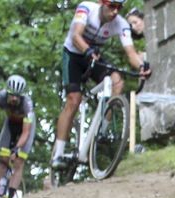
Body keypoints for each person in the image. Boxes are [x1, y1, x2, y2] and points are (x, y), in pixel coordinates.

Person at [52, 0, 152, 169]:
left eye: (118, 8)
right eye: (111, 6)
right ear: (102, 3)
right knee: (73, 100)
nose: (115, 12)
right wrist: (88, 51)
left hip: (94, 56)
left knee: (117, 82)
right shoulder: (86, 8)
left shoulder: (120, 23)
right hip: (74, 54)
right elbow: (76, 35)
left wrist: (142, 67)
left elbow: (130, 53)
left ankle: (103, 131)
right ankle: (58, 154)